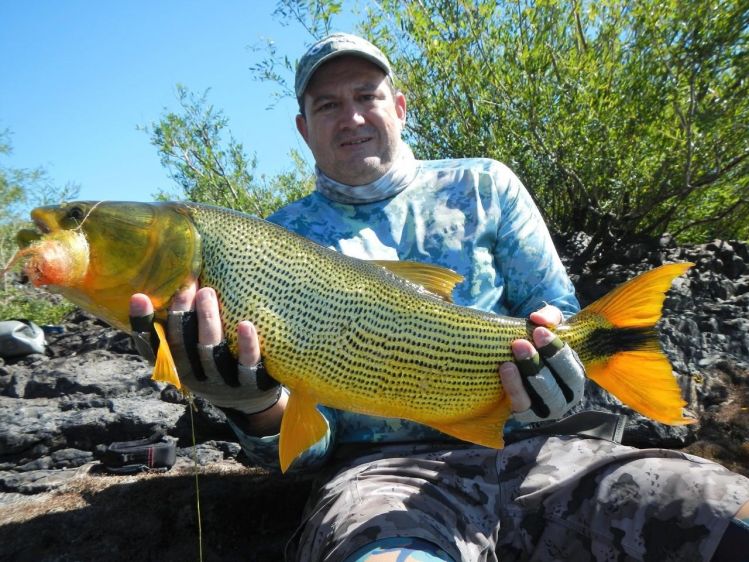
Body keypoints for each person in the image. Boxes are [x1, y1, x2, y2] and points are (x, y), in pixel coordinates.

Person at [129, 33, 749, 561]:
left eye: (367, 96)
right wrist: (253, 406)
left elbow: (552, 313)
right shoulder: (272, 239)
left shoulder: (485, 185)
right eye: (327, 105)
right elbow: (305, 448)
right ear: (303, 128)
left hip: (540, 451)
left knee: (728, 513)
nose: (351, 117)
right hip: (379, 479)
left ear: (399, 106)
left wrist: (561, 382)